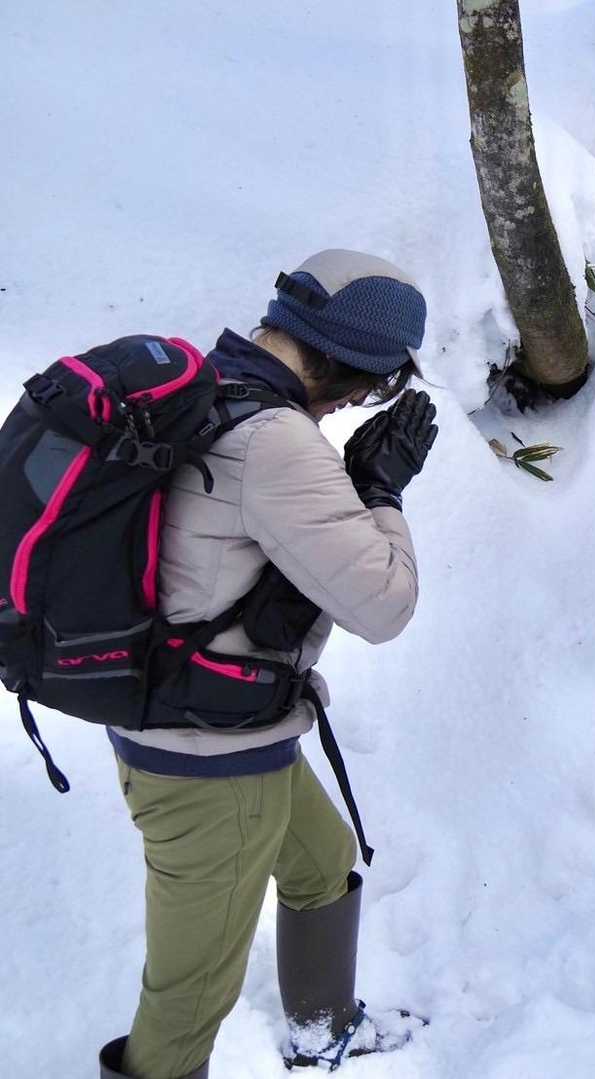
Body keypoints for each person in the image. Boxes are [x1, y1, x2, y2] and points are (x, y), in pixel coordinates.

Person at [98, 250, 439, 1079]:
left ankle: (324, 1031)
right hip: (208, 767)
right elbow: (385, 606)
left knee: (320, 860)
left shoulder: (212, 384)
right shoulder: (276, 441)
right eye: (372, 386)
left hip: (209, 717)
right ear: (347, 363)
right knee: (188, 998)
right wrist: (380, 492)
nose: (360, 404)